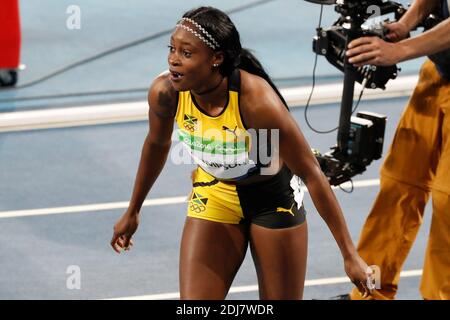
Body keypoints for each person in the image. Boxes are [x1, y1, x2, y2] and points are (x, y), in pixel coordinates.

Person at [110, 6, 372, 300]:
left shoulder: (257, 103)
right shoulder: (165, 93)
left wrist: (350, 255)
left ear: (216, 59)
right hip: (216, 194)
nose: (173, 60)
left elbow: (311, 173)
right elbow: (157, 145)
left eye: (186, 53)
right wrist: (133, 210)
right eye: (172, 49)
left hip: (273, 201)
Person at [337, 0, 450, 300]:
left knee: (448, 199)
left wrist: (399, 50)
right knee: (399, 182)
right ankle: (370, 293)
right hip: (439, 72)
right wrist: (407, 23)